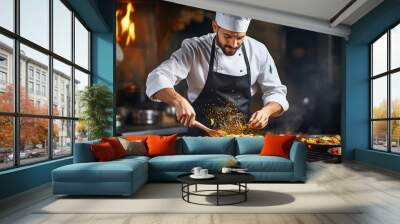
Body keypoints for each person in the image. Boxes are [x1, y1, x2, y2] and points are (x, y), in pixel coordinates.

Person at [146, 12, 289, 136]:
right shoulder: (195, 48)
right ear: (215, 27)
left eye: (240, 38)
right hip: (200, 139)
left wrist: (267, 111)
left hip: (240, 140)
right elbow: (157, 77)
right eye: (227, 36)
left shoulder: (258, 51)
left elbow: (276, 92)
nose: (233, 44)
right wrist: (178, 101)